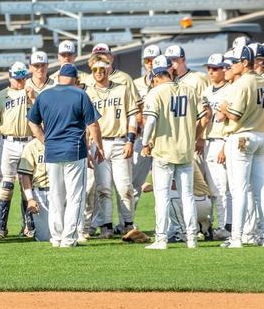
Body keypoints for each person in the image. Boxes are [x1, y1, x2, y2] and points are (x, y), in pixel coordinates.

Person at [27, 64, 103, 248]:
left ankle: (56, 237)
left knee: (56, 195)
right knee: (75, 196)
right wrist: (99, 148)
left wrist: (45, 140)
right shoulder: (81, 95)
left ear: (59, 77)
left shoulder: (44, 94)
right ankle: (69, 238)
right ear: (76, 78)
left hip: (52, 151)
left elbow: (32, 122)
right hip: (74, 150)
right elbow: (93, 125)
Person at [140, 55, 209, 249]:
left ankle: (161, 239)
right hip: (185, 152)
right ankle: (192, 238)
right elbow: (205, 118)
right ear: (170, 70)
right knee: (187, 196)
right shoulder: (189, 89)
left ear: (155, 74)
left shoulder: (155, 93)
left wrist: (145, 143)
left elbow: (151, 121)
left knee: (162, 197)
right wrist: (194, 137)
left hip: (163, 151)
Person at [219, 45, 264, 248]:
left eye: (235, 62)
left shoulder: (242, 83)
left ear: (244, 63)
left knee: (239, 189)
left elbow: (234, 114)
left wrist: (223, 107)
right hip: (262, 135)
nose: (231, 65)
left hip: (242, 136)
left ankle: (237, 238)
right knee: (261, 189)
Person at [84, 57, 140, 239]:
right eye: (95, 69)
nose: (99, 72)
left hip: (119, 141)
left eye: (102, 68)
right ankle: (106, 226)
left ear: (109, 69)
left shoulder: (122, 89)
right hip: (98, 144)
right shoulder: (88, 93)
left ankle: (128, 224)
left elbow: (133, 116)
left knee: (125, 186)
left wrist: (130, 140)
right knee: (103, 188)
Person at [165, 45, 215, 239]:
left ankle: (208, 224)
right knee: (182, 187)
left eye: (175, 60)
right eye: (169, 61)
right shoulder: (170, 83)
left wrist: (199, 137)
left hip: (197, 139)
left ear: (184, 59)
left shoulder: (197, 79)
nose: (172, 64)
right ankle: (189, 227)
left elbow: (206, 112)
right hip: (179, 141)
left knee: (207, 186)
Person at [0, 62, 33, 240]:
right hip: (8, 141)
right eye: (16, 77)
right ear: (9, 76)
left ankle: (28, 225)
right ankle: (1, 227)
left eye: (22, 77)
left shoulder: (31, 92)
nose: (20, 81)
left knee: (27, 183)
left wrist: (32, 96)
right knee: (6, 184)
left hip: (29, 141)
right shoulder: (0, 95)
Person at [203, 53, 233, 240]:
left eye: (216, 68)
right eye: (210, 68)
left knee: (222, 188)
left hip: (222, 139)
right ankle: (212, 226)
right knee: (212, 189)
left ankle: (225, 226)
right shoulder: (206, 91)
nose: (212, 72)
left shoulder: (230, 90)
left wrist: (225, 146)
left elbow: (231, 120)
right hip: (207, 141)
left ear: (224, 69)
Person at [130, 45, 160, 200]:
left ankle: (172, 224)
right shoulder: (136, 83)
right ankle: (128, 222)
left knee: (166, 185)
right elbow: (133, 109)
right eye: (147, 60)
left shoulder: (167, 83)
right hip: (142, 137)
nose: (150, 63)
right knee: (134, 183)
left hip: (162, 137)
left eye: (153, 59)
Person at [18, 138, 51, 242]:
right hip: (41, 192)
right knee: (45, 238)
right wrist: (30, 199)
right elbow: (25, 175)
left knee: (63, 234)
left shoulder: (61, 141)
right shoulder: (31, 146)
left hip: (61, 192)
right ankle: (28, 225)